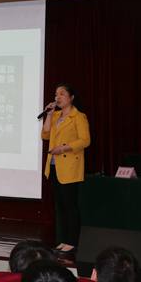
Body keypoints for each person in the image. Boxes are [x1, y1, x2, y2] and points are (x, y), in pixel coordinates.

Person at [41, 83, 90, 254]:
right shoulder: (55, 115)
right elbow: (45, 135)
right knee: (60, 206)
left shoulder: (78, 117)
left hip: (69, 166)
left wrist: (63, 148)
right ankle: (63, 239)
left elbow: (85, 140)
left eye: (62, 94)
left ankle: (72, 241)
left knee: (70, 205)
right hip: (54, 166)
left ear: (71, 98)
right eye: (56, 94)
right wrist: (48, 115)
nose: (58, 97)